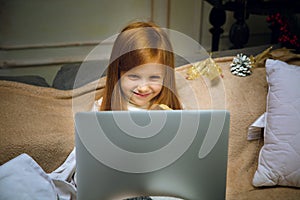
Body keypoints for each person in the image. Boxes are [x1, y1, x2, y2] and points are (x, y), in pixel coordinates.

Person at [93, 21, 182, 111]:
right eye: (134, 76)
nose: (143, 88)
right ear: (117, 73)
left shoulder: (173, 111)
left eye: (154, 78)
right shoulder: (99, 110)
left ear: (166, 77)